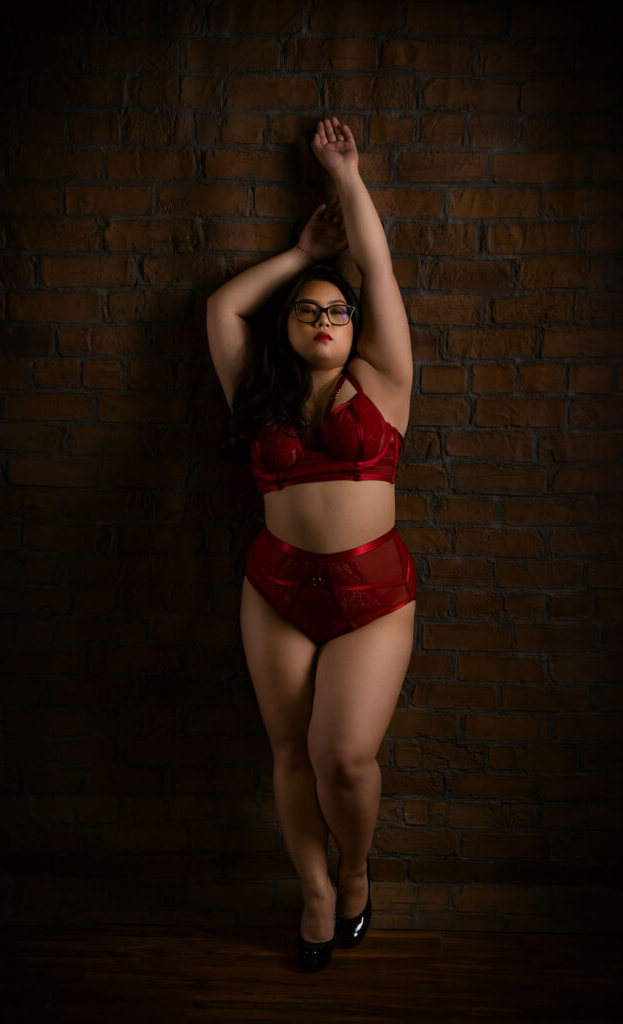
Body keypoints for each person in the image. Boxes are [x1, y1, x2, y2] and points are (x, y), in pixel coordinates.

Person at [206, 116, 416, 972]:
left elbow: (378, 271)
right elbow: (220, 306)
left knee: (345, 758)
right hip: (276, 586)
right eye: (307, 309)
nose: (324, 317)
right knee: (290, 750)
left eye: (336, 308)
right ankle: (316, 894)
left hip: (371, 592)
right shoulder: (254, 392)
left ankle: (357, 871)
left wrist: (347, 176)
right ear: (287, 326)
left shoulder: (383, 380)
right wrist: (298, 255)